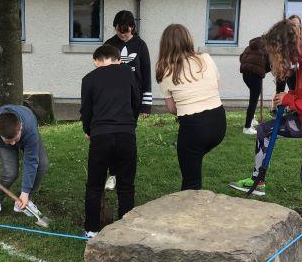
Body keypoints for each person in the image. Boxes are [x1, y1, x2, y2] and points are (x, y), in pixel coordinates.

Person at [232, 19, 302, 245]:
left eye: (276, 52)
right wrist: (291, 96)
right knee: (265, 130)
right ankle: (259, 182)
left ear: (287, 48)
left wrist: (289, 99)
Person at [156, 24, 226, 191]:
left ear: (165, 45)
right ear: (188, 39)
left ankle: (191, 215)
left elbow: (172, 109)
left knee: (191, 183)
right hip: (219, 123)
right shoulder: (206, 58)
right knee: (194, 160)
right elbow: (216, 87)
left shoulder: (165, 70)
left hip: (194, 127)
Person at [80, 44, 140, 238]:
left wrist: (89, 130)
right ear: (117, 58)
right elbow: (136, 102)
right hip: (126, 134)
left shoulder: (89, 78)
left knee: (94, 184)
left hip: (100, 135)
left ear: (97, 60)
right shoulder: (128, 73)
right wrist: (131, 124)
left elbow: (86, 111)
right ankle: (125, 227)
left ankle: (91, 229)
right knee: (126, 185)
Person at [0, 106, 49, 220]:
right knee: (10, 172)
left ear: (20, 127)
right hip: (3, 144)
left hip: (27, 132)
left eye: (15, 139)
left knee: (42, 164)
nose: (12, 144)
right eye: (8, 140)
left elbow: (31, 162)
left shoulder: (30, 131)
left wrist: (25, 191)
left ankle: (23, 200)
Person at [103, 10, 152, 190]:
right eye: (119, 31)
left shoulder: (141, 46)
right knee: (111, 137)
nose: (123, 34)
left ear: (133, 27)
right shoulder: (109, 45)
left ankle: (125, 174)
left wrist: (146, 105)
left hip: (133, 101)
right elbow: (101, 73)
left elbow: (146, 75)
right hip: (112, 101)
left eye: (126, 31)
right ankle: (113, 174)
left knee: (126, 138)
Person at [239, 36, 269, 135]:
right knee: (253, 100)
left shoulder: (249, 47)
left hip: (245, 75)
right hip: (256, 77)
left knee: (254, 97)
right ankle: (247, 127)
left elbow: (241, 58)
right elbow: (269, 64)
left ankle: (251, 118)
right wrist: (263, 70)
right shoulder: (265, 49)